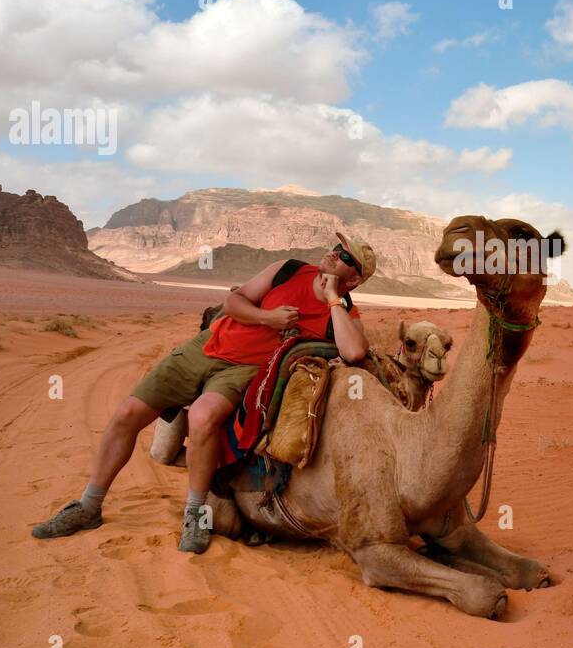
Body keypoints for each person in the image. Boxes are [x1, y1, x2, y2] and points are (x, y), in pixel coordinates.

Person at [31, 232, 375, 554]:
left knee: (203, 416)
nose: (333, 252)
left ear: (355, 278)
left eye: (344, 255)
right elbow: (234, 300)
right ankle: (89, 505)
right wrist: (268, 318)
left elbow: (354, 351)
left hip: (244, 372)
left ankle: (195, 514)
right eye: (335, 246)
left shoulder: (343, 311)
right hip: (205, 348)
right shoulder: (289, 270)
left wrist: (333, 299)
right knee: (127, 414)